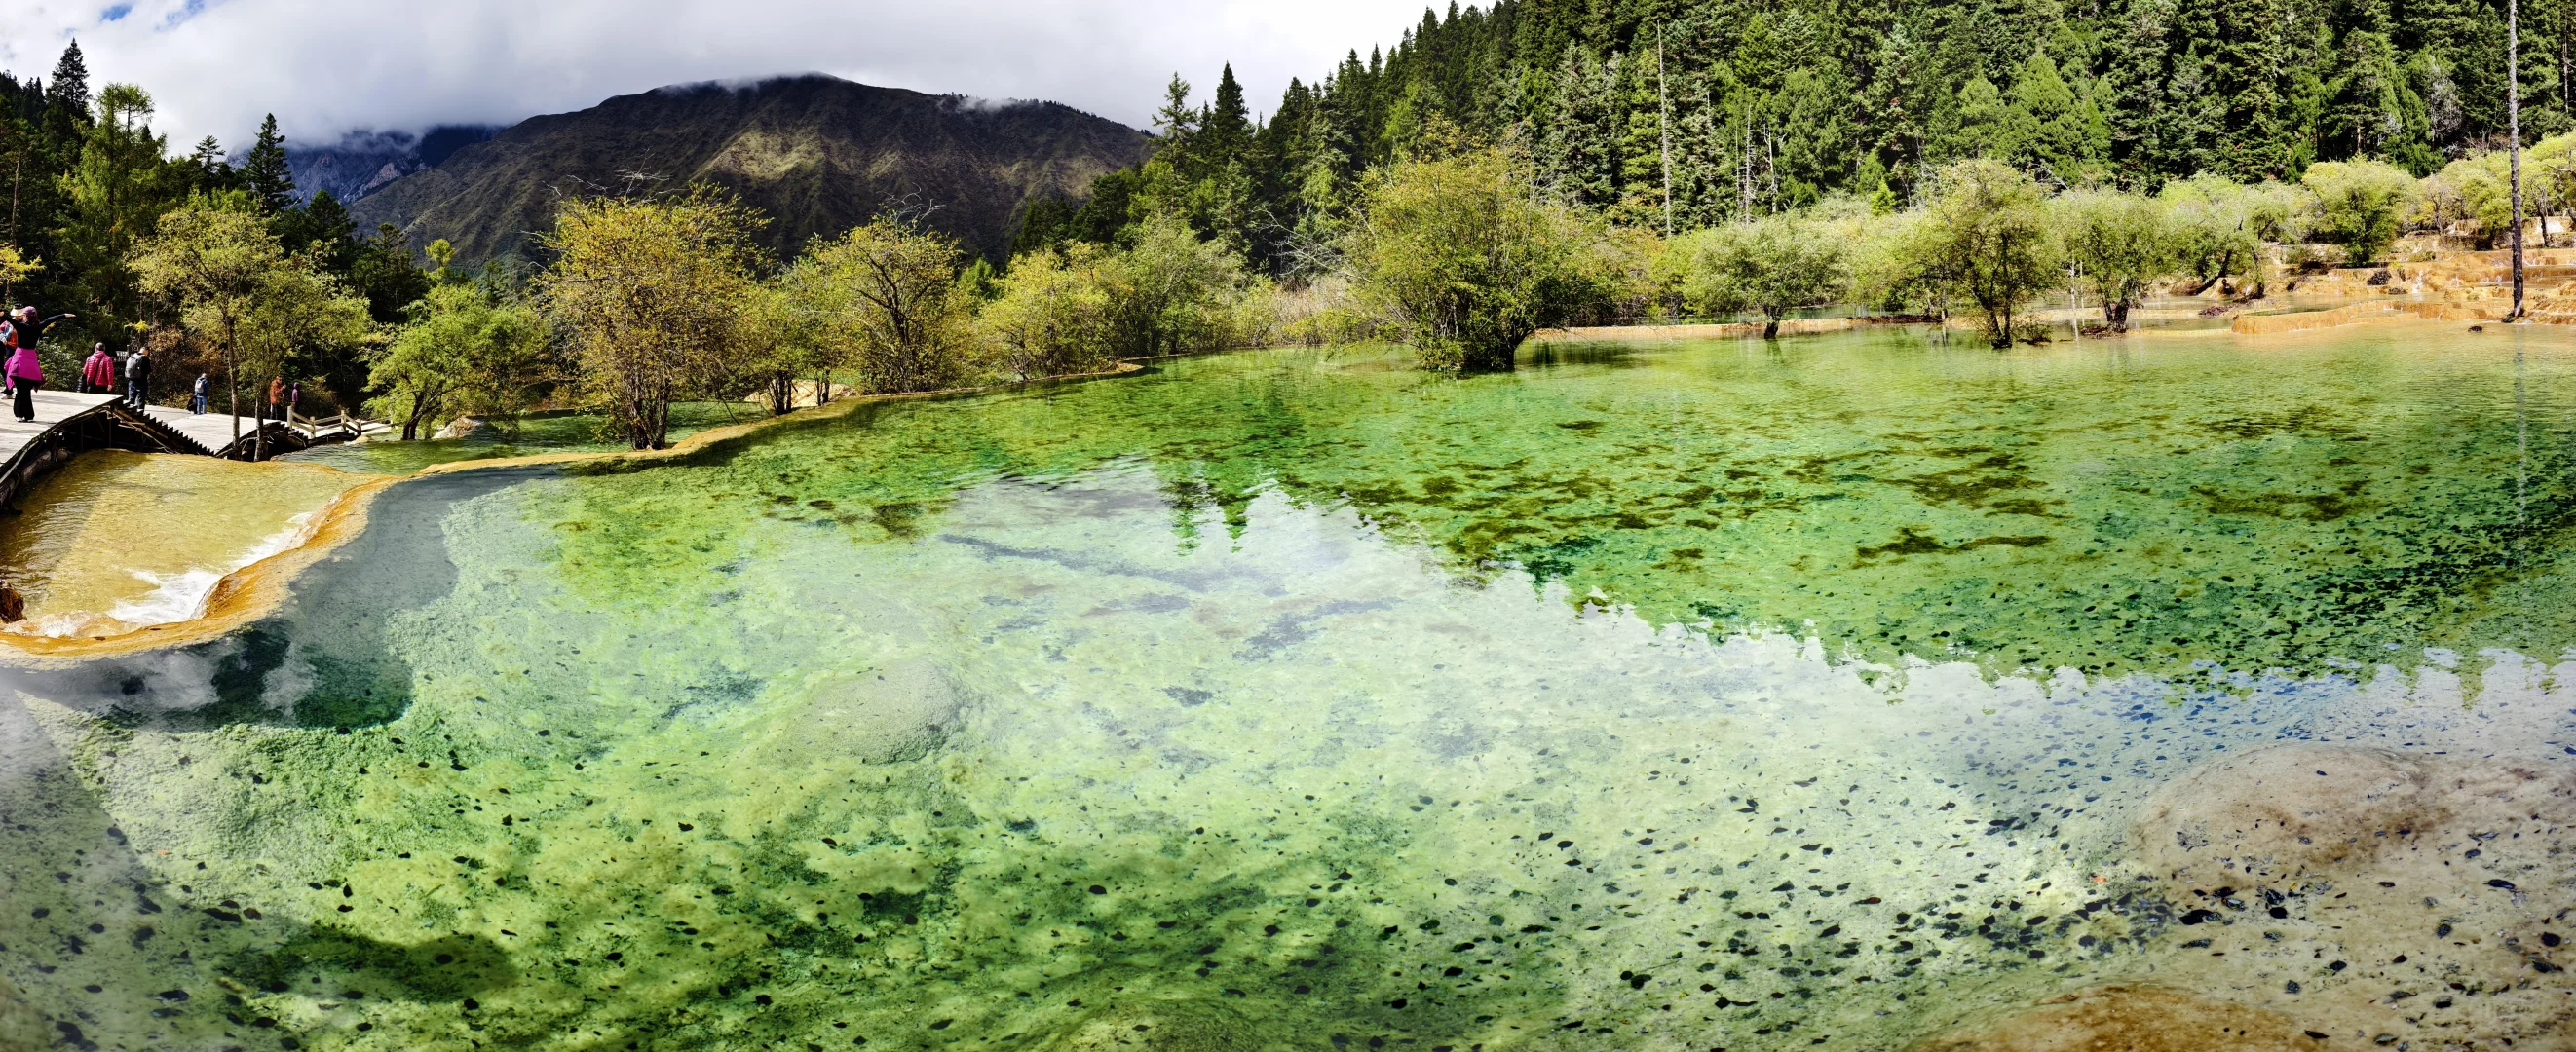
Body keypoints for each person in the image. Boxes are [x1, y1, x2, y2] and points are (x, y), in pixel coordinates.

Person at [5, 323, 42, 422]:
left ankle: (19, 415)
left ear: (25, 316)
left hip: (19, 362)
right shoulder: (38, 327)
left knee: (21, 391)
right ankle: (29, 416)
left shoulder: (20, 326)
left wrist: (3, 315)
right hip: (31, 363)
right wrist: (63, 316)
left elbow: (8, 318)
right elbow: (49, 320)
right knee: (26, 391)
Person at [123, 343, 150, 410]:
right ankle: (140, 414)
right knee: (141, 400)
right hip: (142, 382)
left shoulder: (132, 356)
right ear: (146, 351)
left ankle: (129, 414)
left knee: (131, 400)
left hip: (131, 381)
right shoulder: (145, 358)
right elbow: (148, 370)